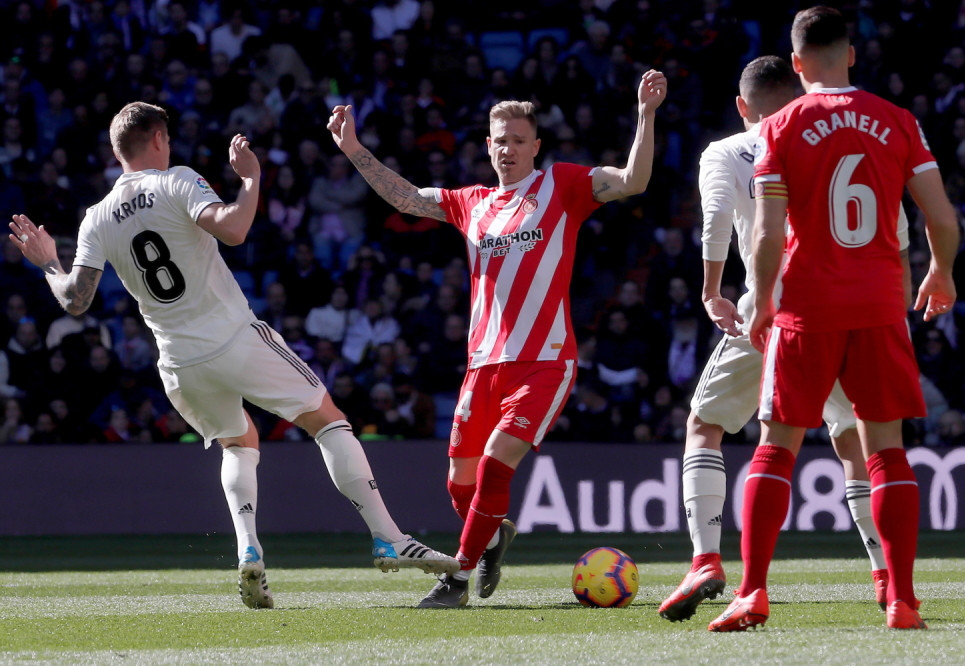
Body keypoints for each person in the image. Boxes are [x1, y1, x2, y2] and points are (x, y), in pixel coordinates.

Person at [9, 101, 457, 611]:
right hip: (234, 338)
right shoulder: (177, 181)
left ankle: (248, 550)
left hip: (178, 363)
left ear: (117, 152)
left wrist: (49, 263)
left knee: (238, 442)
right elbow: (235, 229)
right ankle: (389, 537)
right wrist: (250, 179)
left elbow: (75, 300)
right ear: (158, 138)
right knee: (328, 421)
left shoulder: (96, 217)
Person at [328, 69, 667, 608]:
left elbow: (633, 180)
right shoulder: (473, 202)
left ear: (536, 146)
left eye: (518, 140)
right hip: (483, 364)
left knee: (494, 461)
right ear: (488, 146)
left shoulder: (563, 185)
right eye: (500, 140)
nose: (508, 149)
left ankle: (457, 577)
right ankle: (491, 538)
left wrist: (645, 115)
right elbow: (407, 198)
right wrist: (353, 149)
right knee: (458, 484)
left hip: (544, 361)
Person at [708, 7, 958, 632]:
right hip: (878, 306)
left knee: (775, 449)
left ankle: (752, 593)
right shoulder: (897, 120)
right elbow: (940, 217)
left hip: (807, 306)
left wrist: (765, 300)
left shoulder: (780, 126)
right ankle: (902, 601)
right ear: (850, 54)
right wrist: (941, 271)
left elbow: (767, 232)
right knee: (886, 453)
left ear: (796, 63)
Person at [659, 56, 908, 623]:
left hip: (772, 306)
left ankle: (706, 561)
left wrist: (712, 290)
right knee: (853, 440)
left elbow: (716, 220)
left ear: (742, 105)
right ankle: (885, 575)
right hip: (849, 306)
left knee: (706, 424)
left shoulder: (727, 151)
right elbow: (893, 225)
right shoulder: (833, 140)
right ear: (796, 95)